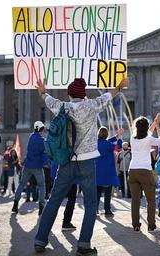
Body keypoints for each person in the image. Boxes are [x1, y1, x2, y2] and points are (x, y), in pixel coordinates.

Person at [34, 76, 129, 255]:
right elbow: (109, 96)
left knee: (54, 200)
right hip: (87, 162)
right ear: (83, 95)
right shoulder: (92, 105)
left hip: (67, 161)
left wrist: (42, 91)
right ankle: (84, 244)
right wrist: (119, 86)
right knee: (91, 204)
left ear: (69, 94)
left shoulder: (63, 107)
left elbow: (48, 100)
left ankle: (40, 240)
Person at [129, 113, 160, 232]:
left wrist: (154, 123)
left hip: (132, 170)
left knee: (135, 200)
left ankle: (136, 225)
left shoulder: (132, 138)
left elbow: (146, 133)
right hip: (145, 171)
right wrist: (157, 126)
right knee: (151, 201)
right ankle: (151, 226)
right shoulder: (149, 139)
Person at [12, 121, 48, 215]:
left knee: (21, 184)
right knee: (41, 186)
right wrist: (46, 163)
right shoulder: (41, 140)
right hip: (37, 167)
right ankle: (41, 206)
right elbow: (44, 153)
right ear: (40, 128)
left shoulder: (31, 136)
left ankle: (15, 204)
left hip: (27, 165)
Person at [95, 127, 123, 217]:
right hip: (107, 172)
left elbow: (105, 142)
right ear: (107, 134)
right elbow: (118, 148)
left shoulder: (95, 143)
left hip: (97, 172)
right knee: (107, 193)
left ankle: (95, 209)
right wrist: (118, 138)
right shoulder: (108, 144)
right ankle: (107, 210)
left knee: (97, 192)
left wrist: (116, 136)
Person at [51, 163, 78, 231]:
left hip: (56, 172)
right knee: (71, 199)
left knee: (54, 200)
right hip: (69, 173)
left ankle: (46, 224)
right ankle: (66, 222)